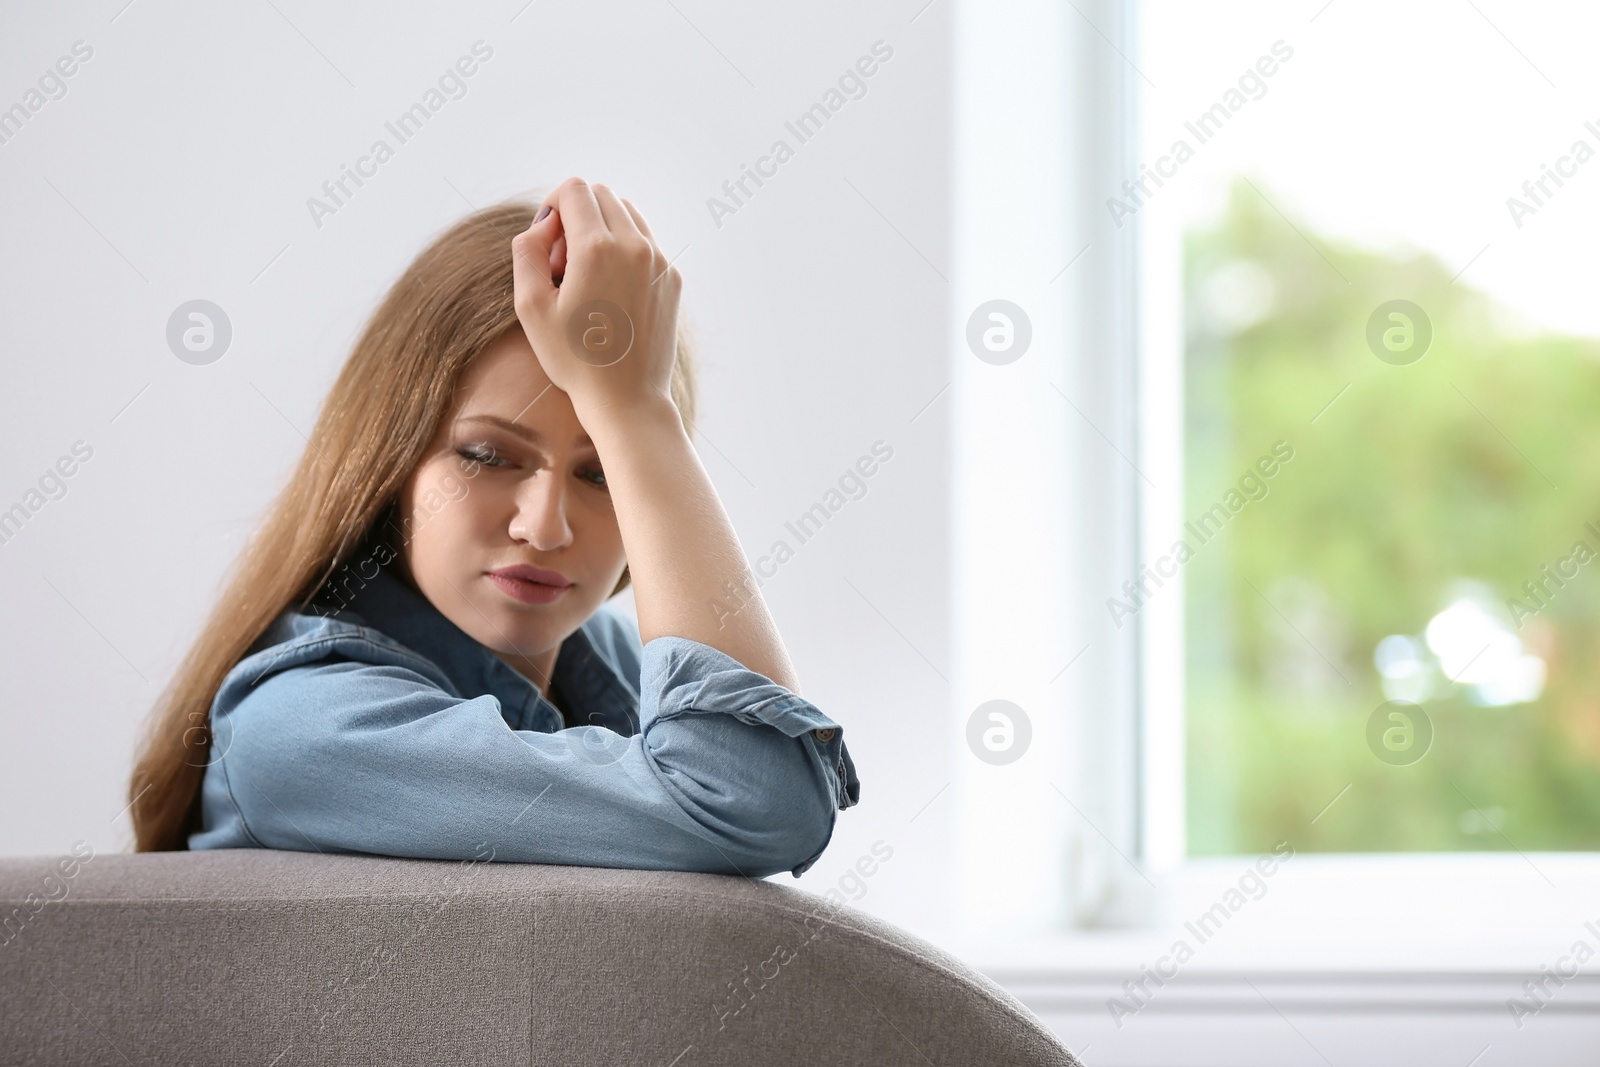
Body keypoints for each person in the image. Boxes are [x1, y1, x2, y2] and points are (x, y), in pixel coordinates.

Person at [126, 178, 859, 879]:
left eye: (604, 472)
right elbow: (758, 801)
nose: (543, 528)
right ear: (391, 458)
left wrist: (640, 418)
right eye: (486, 456)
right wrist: (635, 414)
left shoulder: (599, 656)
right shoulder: (299, 728)